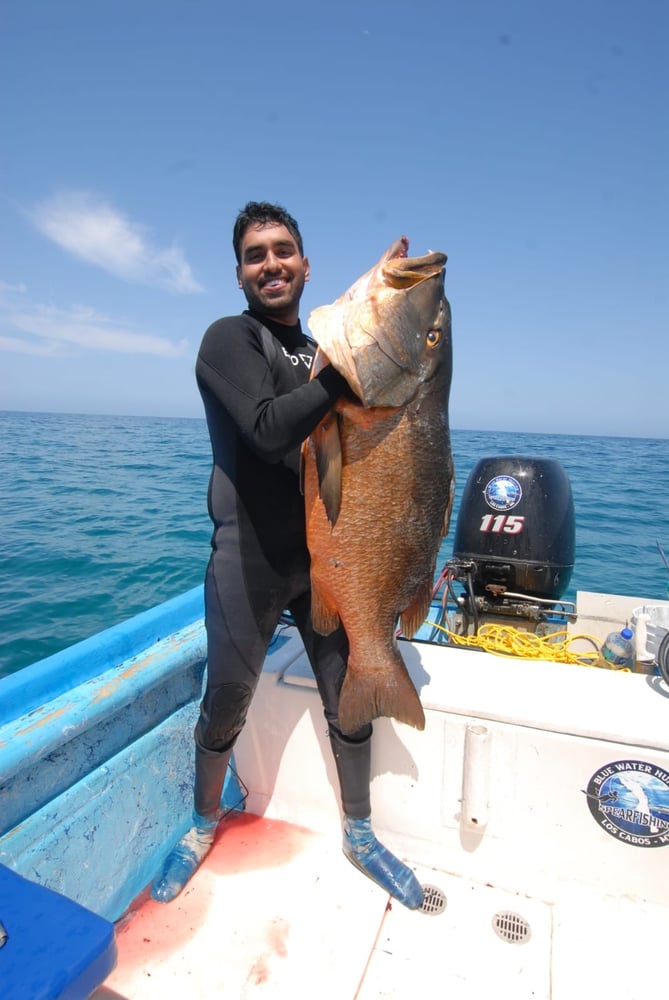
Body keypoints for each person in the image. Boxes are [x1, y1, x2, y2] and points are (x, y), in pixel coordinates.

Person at [151, 201, 423, 910]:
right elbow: (270, 432)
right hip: (250, 561)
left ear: (305, 264)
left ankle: (359, 832)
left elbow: (368, 333)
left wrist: (387, 291)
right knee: (227, 700)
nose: (269, 263)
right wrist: (350, 371)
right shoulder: (228, 340)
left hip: (326, 564)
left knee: (348, 697)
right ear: (240, 272)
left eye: (281, 250)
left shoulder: (324, 345)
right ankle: (202, 823)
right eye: (254, 254)